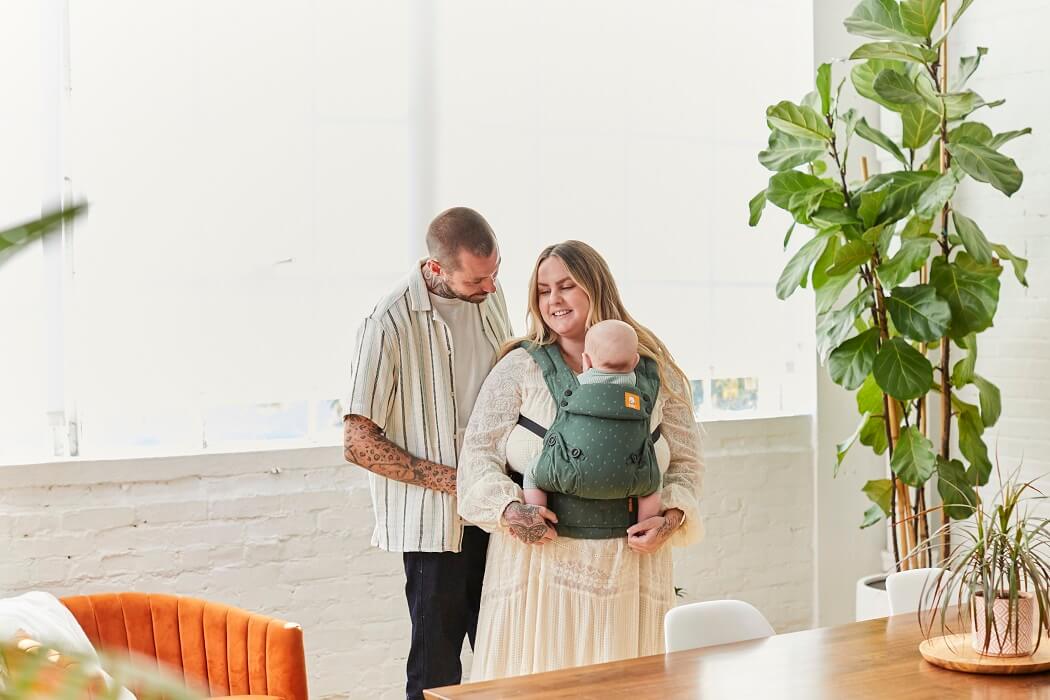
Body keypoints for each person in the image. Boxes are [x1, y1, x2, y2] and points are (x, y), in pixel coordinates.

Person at [457, 240, 704, 679]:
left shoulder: (654, 369)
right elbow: (476, 460)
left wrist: (671, 517)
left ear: (596, 288)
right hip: (539, 571)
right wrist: (511, 511)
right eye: (543, 290)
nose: (554, 300)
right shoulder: (519, 367)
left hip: (630, 569)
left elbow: (686, 462)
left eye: (567, 286)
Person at [342, 207, 512, 699]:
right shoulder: (387, 323)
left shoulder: (489, 300)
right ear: (436, 269)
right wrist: (457, 481)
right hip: (435, 528)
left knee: (508, 656)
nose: (492, 287)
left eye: (496, 271)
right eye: (479, 278)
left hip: (498, 512)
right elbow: (357, 442)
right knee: (436, 672)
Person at [521, 319, 663, 523]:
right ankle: (644, 524)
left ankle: (540, 517)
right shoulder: (638, 395)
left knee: (533, 472)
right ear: (635, 362)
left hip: (570, 473)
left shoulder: (576, 389)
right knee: (654, 480)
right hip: (630, 478)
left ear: (586, 361)